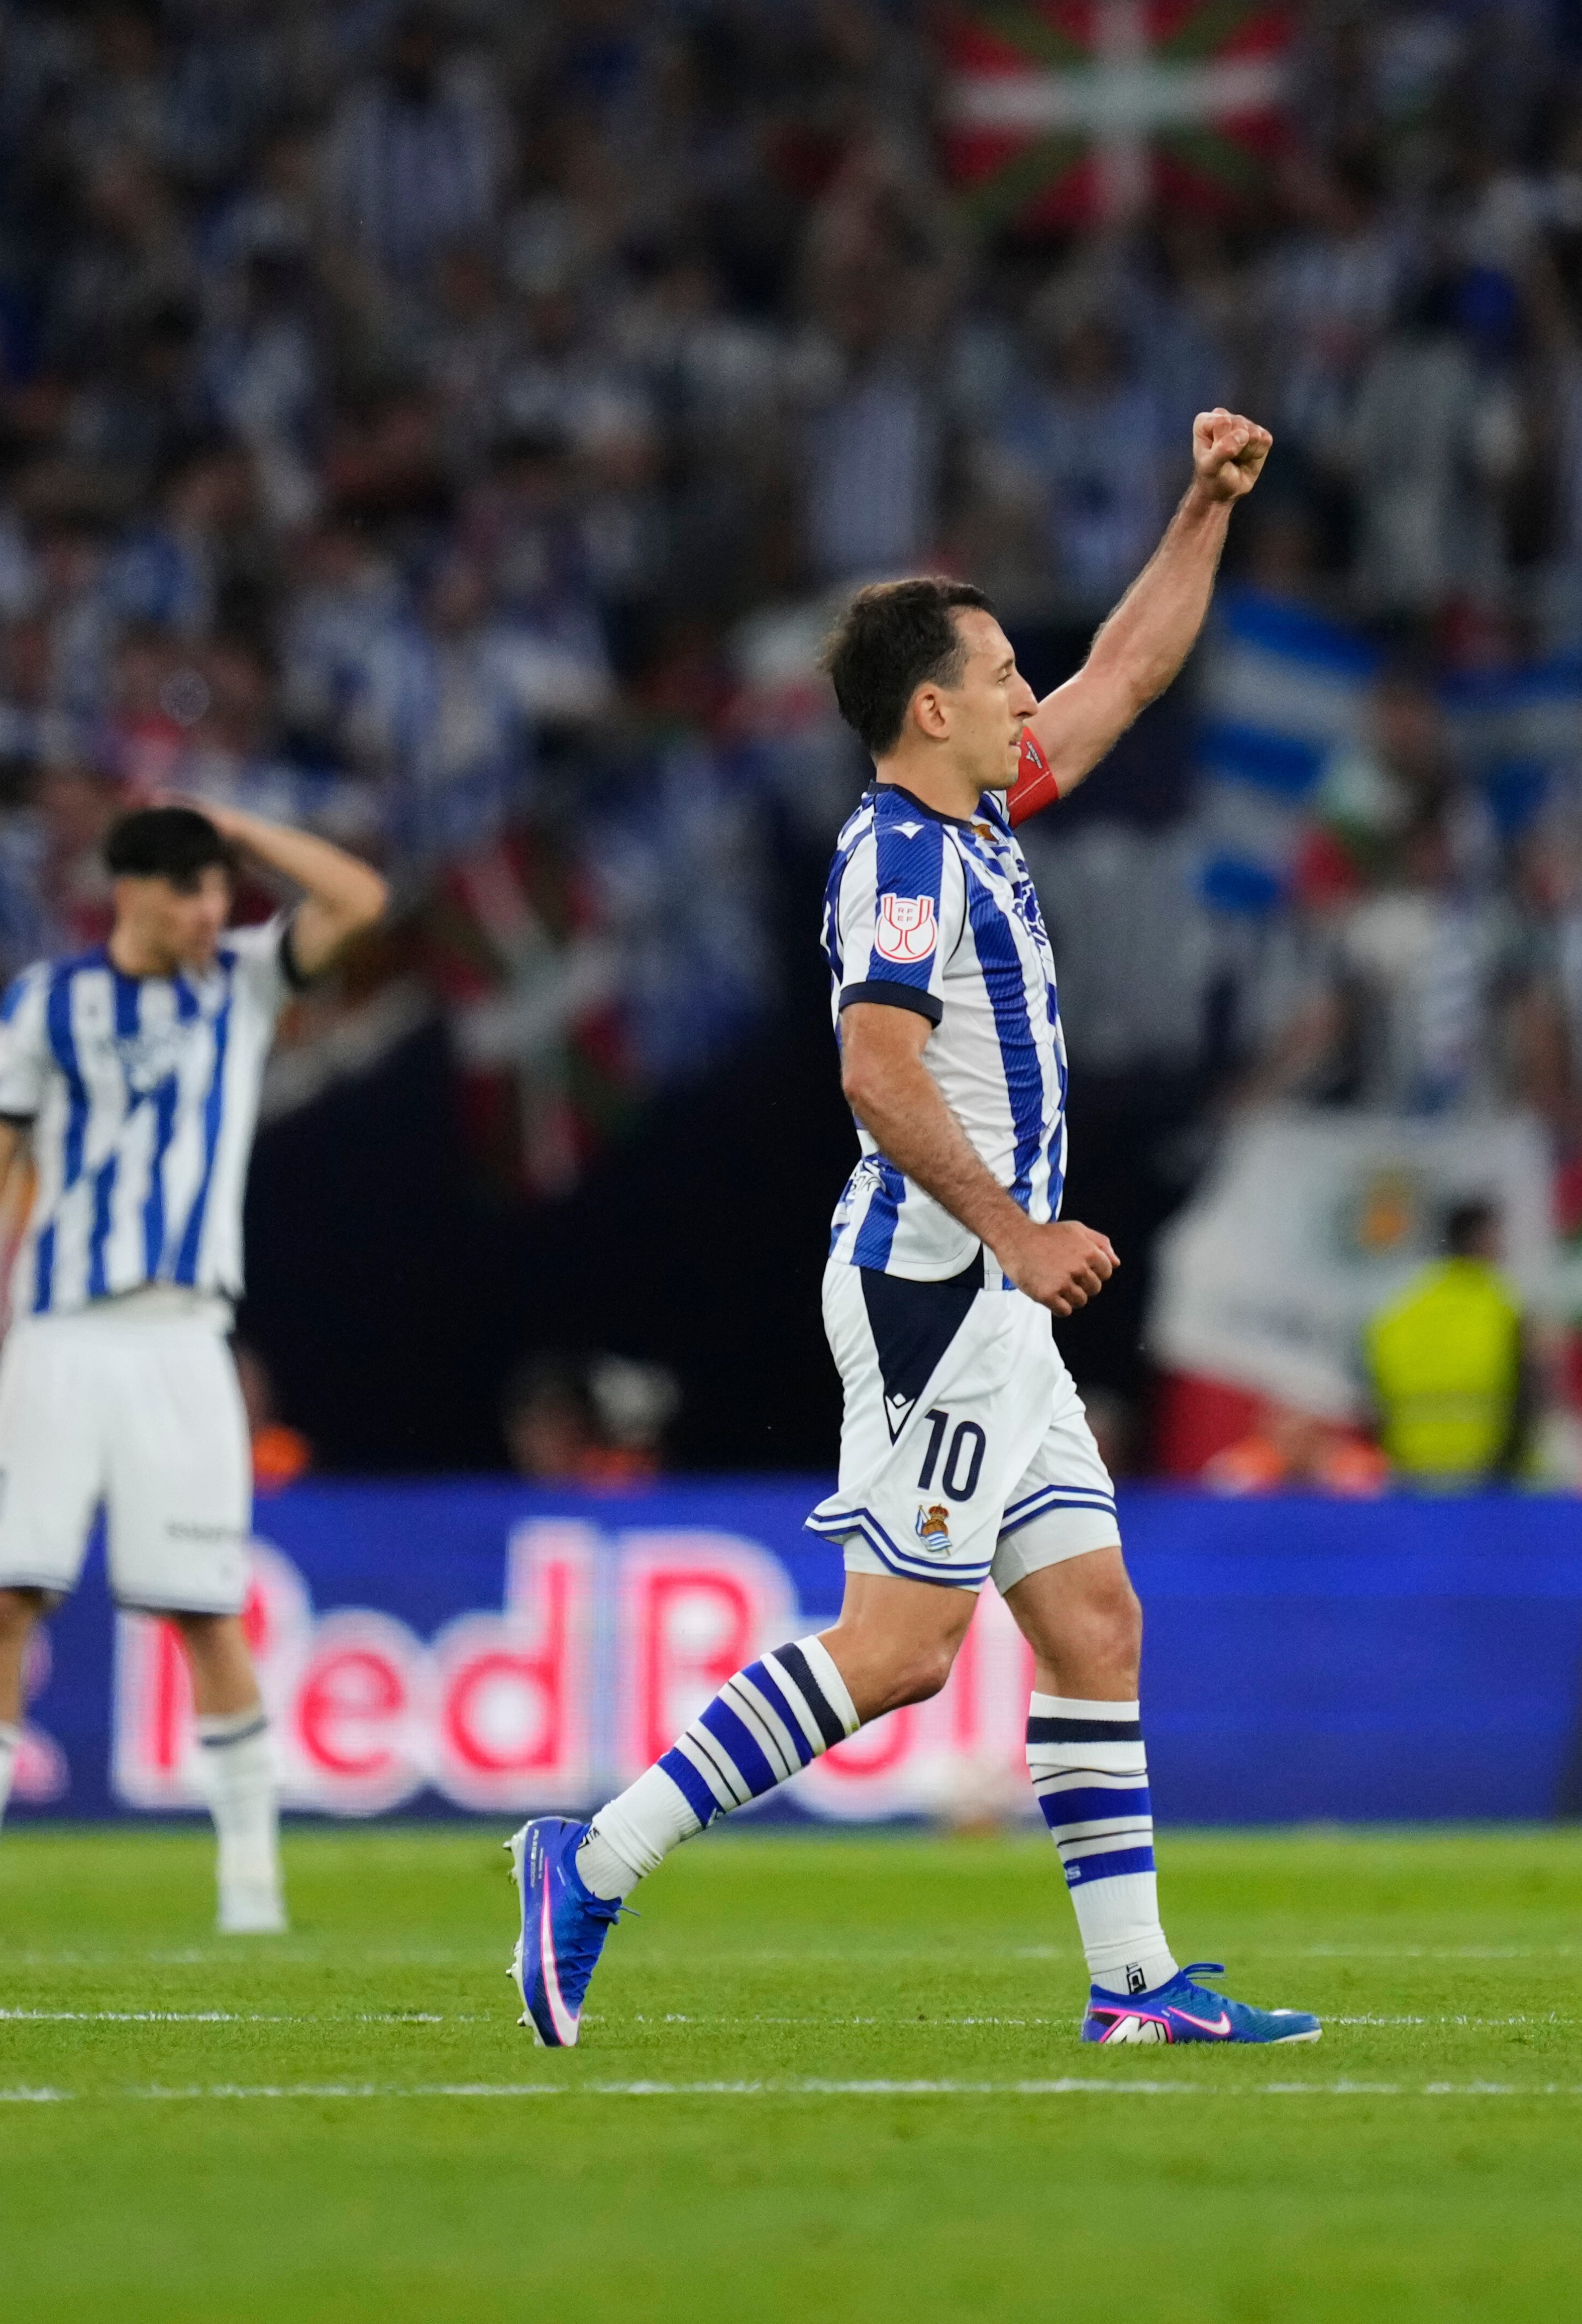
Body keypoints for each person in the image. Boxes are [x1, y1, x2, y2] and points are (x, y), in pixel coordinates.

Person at [508, 410, 1323, 2050]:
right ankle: (590, 1856)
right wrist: (1017, 1234)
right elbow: (876, 1071)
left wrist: (1203, 507)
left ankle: (1137, 1987)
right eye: (1005, 671)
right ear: (929, 706)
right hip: (937, 1282)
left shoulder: (979, 816)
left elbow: (1128, 677)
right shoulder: (894, 854)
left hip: (991, 1295)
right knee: (897, 1655)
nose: (1033, 690)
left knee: (1096, 1622)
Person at [0, 801, 386, 1938]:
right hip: (57, 1336)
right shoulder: (46, 1002)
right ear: (133, 892)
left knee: (207, 1611)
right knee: (3, 1597)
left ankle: (251, 1889)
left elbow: (359, 898)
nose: (216, 910)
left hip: (181, 1341)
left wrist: (242, 829)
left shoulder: (243, 984)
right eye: (194, 890)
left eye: (222, 890)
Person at [1364, 1202, 1529, 1489]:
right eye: (1497, 1237)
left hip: (1409, 1465)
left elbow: (1372, 1389)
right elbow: (1529, 1390)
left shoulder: (1403, 1305)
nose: (1502, 1248)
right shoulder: (1500, 1304)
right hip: (1486, 1467)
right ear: (1477, 1239)